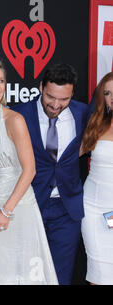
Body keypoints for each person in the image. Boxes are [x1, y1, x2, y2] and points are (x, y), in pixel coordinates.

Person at [0, 59, 58, 284]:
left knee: (23, 274)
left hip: (18, 207)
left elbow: (30, 170)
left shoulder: (15, 120)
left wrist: (6, 212)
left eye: (1, 81)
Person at [13, 63, 89, 285]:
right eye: (50, 97)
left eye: (63, 99)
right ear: (40, 87)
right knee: (26, 275)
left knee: (60, 276)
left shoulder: (83, 114)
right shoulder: (18, 115)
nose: (55, 104)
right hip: (28, 205)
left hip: (66, 209)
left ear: (72, 94)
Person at [80, 72, 113, 285]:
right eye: (107, 93)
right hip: (92, 209)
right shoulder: (97, 124)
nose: (112, 97)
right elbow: (69, 157)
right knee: (98, 275)